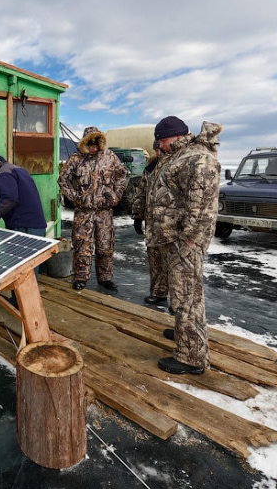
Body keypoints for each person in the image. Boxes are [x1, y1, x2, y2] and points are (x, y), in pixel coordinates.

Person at [145, 117, 222, 376]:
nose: (161, 146)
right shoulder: (179, 156)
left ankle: (191, 357)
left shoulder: (197, 158)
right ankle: (184, 334)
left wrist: (189, 239)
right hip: (173, 239)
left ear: (175, 136)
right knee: (181, 297)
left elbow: (202, 207)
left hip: (184, 242)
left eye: (163, 140)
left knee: (187, 298)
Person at [58, 126, 127, 291]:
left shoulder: (110, 157)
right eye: (90, 144)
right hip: (84, 213)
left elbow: (122, 175)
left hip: (105, 213)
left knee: (105, 247)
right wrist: (76, 198)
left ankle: (105, 279)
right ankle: (81, 278)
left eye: (96, 144)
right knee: (82, 247)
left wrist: (115, 196)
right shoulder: (76, 159)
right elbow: (63, 180)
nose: (93, 148)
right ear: (85, 143)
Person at [130, 140, 169, 306]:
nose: (159, 153)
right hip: (152, 225)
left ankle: (177, 301)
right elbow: (140, 193)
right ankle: (158, 293)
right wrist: (138, 217)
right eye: (156, 150)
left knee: (172, 264)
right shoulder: (150, 168)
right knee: (155, 261)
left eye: (160, 149)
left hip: (170, 225)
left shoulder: (175, 166)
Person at [0, 152, 46, 237]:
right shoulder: (19, 170)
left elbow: (9, 198)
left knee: (20, 250)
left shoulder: (3, 174)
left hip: (24, 227)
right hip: (36, 224)